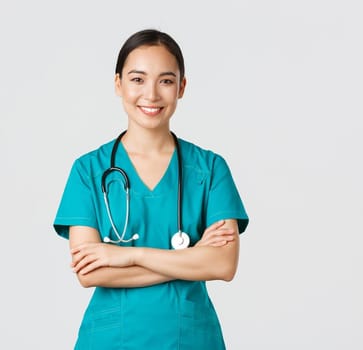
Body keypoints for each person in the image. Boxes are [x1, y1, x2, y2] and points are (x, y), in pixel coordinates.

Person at [53, 29, 249, 349]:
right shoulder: (88, 170)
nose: (152, 94)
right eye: (138, 79)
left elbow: (223, 265)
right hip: (111, 339)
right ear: (118, 84)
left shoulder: (210, 169)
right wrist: (191, 258)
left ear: (181, 87)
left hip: (189, 339)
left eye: (166, 81)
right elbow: (90, 272)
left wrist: (127, 255)